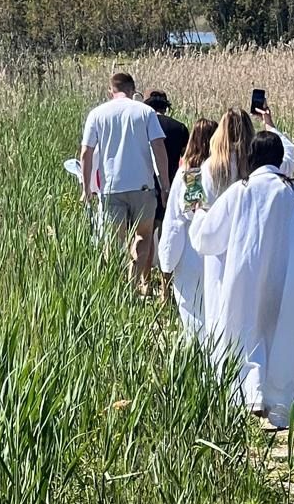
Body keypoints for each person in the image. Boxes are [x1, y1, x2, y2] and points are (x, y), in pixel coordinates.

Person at [190, 131, 294, 429]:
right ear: (279, 159)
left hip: (245, 276)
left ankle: (250, 393)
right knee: (280, 334)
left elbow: (209, 238)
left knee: (246, 332)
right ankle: (278, 404)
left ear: (252, 157)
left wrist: (199, 214)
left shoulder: (241, 189)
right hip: (284, 278)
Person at [80, 72, 170, 290]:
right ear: (133, 89)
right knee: (143, 236)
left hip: (111, 188)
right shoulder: (145, 112)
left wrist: (86, 188)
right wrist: (165, 185)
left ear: (110, 90)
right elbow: (159, 148)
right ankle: (135, 282)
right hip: (143, 185)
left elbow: (86, 153)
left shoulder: (97, 114)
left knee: (114, 241)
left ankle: (116, 287)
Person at [158, 117, 217, 338]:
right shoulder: (226, 174)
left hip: (193, 254)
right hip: (217, 255)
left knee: (194, 317)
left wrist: (167, 262)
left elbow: (179, 221)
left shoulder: (191, 175)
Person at [201, 104, 294, 204]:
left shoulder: (209, 166)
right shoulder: (260, 163)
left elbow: (201, 206)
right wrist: (269, 125)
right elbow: (288, 159)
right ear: (250, 130)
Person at [144, 89, 189, 244]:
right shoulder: (179, 128)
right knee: (163, 226)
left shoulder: (142, 125)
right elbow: (186, 158)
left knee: (143, 230)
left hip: (144, 183)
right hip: (169, 182)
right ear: (166, 107)